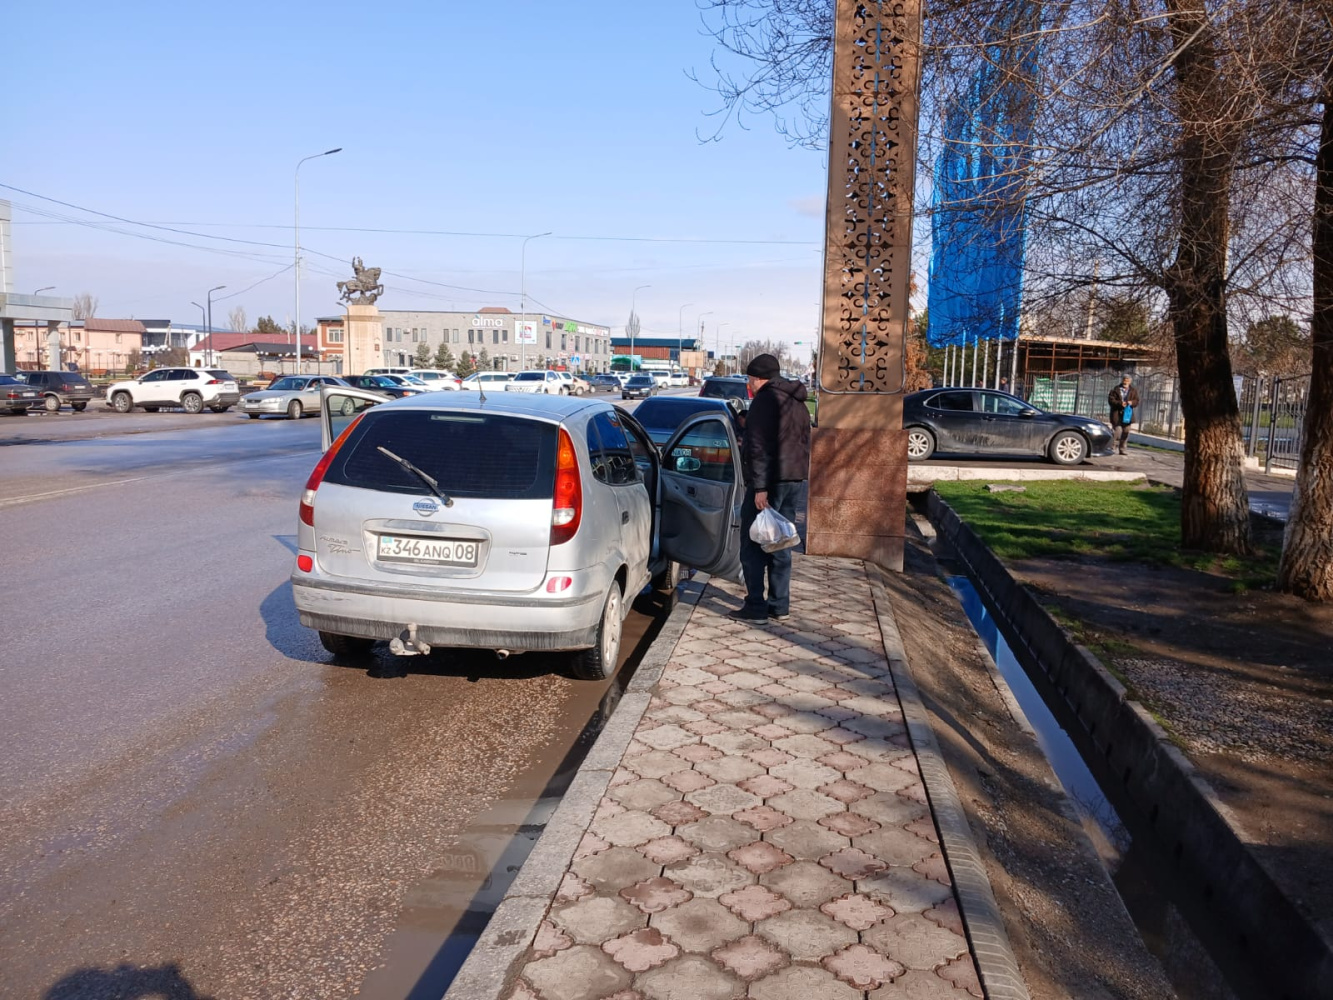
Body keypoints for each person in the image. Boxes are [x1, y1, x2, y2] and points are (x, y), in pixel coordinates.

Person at [732, 353, 811, 623]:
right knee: (780, 541)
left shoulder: (765, 401)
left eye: (749, 379)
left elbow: (758, 447)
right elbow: (803, 441)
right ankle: (779, 605)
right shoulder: (797, 401)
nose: (749, 384)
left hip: (769, 482)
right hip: (793, 480)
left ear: (758, 378)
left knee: (754, 542)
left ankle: (755, 607)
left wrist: (760, 488)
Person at [1108, 374, 1139, 455]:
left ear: (1130, 382)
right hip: (1117, 414)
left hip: (1127, 415)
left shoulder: (1133, 390)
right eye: (1124, 380)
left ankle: (1122, 449)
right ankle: (1112, 447)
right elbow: (1111, 400)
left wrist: (1131, 402)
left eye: (1127, 381)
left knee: (1126, 431)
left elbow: (1137, 401)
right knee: (1117, 432)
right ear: (1122, 380)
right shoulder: (1115, 389)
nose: (1125, 382)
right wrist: (1120, 403)